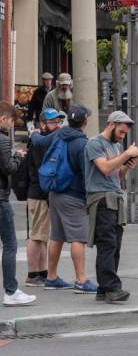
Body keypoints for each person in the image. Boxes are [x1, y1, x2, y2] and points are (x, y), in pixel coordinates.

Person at [85, 111, 138, 303]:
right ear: (111, 124)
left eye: (124, 134)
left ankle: (104, 289)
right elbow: (105, 168)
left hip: (115, 197)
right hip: (101, 199)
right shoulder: (94, 143)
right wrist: (126, 154)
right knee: (107, 243)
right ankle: (111, 287)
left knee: (114, 244)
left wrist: (127, 166)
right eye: (121, 132)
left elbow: (115, 175)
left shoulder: (116, 146)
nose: (122, 136)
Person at [45, 104, 97, 294]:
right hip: (73, 195)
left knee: (56, 236)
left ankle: (51, 277)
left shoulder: (59, 136)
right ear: (84, 121)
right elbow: (86, 174)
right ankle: (81, 280)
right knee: (78, 238)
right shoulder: (82, 143)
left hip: (55, 191)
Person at [0, 100, 36, 306]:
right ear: (3, 119)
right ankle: (11, 291)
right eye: (12, 120)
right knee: (10, 245)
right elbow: (8, 168)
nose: (12, 124)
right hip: (1, 200)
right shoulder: (3, 141)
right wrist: (18, 158)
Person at [24, 108, 62, 288]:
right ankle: (33, 274)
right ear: (43, 124)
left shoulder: (41, 140)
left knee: (42, 235)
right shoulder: (41, 143)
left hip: (40, 194)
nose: (57, 125)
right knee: (37, 235)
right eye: (53, 122)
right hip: (39, 194)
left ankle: (42, 272)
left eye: (58, 121)